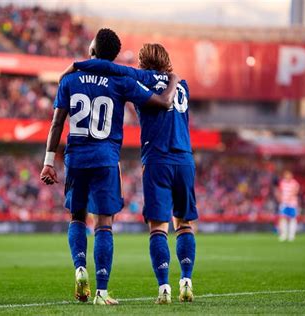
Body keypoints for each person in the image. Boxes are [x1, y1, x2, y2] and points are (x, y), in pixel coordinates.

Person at [40, 29, 180, 305]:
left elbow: (57, 123)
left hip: (76, 159)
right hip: (105, 160)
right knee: (103, 224)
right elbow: (163, 102)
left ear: (92, 49)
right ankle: (102, 292)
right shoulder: (120, 80)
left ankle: (80, 269)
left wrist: (48, 162)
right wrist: (173, 80)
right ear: (114, 54)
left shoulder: (70, 78)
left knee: (77, 218)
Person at [69, 43, 198, 304]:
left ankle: (164, 288)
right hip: (185, 159)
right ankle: (186, 280)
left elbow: (108, 67)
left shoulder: (140, 77)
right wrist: (172, 79)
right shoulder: (182, 85)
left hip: (157, 159)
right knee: (184, 224)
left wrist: (77, 66)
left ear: (143, 62)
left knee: (158, 228)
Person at [277, 170, 300, 242]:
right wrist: (280, 198)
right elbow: (280, 191)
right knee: (283, 219)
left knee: (292, 219)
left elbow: (295, 191)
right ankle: (284, 235)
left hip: (292, 204)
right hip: (284, 203)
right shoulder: (282, 182)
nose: (287, 176)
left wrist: (289, 198)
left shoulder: (295, 183)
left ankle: (291, 235)